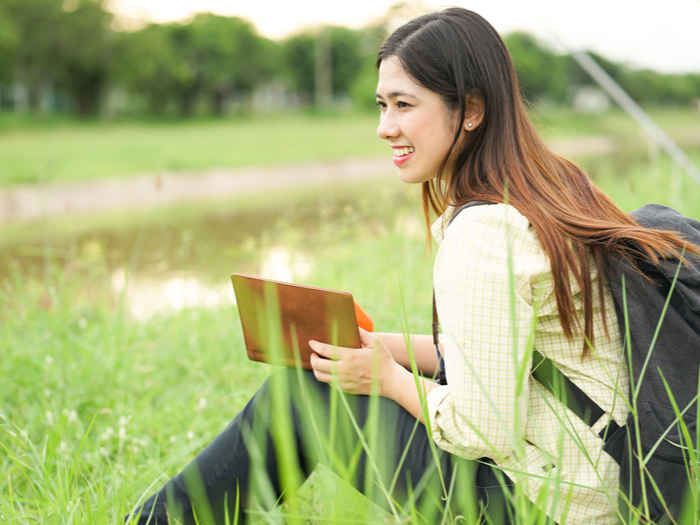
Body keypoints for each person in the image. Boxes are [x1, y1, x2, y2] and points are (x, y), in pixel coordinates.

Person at [127, 8, 695, 525]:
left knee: (302, 397)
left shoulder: (484, 231)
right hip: (614, 482)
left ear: (471, 110)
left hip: (552, 504)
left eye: (404, 105)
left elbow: (483, 425)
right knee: (315, 382)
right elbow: (508, 356)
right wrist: (380, 348)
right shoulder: (551, 186)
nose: (385, 128)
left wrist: (389, 380)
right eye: (382, 105)